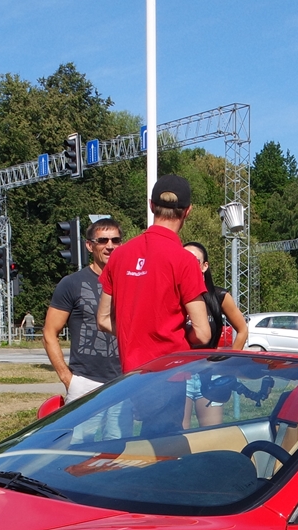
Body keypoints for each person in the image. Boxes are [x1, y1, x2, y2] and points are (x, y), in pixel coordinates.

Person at [97, 174, 211, 372]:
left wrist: (136, 336)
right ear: (187, 211)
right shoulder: (184, 260)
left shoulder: (119, 256)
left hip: (132, 376)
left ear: (151, 205)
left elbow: (103, 319)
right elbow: (202, 334)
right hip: (170, 374)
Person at [45, 218, 124, 401]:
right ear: (89, 246)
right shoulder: (72, 283)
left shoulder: (132, 281)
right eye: (102, 240)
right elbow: (49, 333)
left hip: (124, 380)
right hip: (85, 382)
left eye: (115, 240)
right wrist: (68, 379)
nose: (110, 246)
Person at [182, 241, 250, 427]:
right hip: (181, 374)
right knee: (178, 436)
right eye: (183, 260)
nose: (187, 265)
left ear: (205, 266)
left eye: (193, 261)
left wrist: (229, 364)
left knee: (210, 435)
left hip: (211, 373)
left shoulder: (219, 296)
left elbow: (242, 329)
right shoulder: (173, 297)